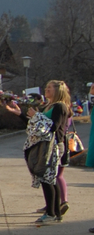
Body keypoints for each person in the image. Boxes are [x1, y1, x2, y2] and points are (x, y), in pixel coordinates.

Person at [26, 80, 71, 223]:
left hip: (54, 145)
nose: (46, 89)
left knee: (47, 179)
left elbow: (53, 127)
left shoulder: (60, 106)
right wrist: (19, 113)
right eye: (46, 87)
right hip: (45, 145)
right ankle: (56, 213)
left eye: (49, 88)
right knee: (50, 179)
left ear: (58, 90)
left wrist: (37, 116)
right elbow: (37, 124)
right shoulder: (48, 106)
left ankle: (50, 214)